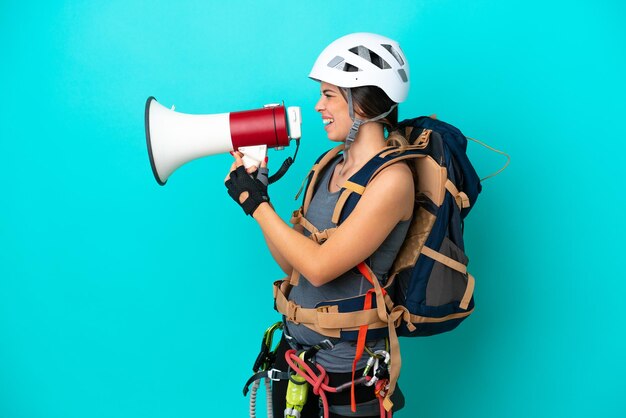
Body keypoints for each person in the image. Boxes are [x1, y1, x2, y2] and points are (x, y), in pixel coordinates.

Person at [225, 33, 413, 417]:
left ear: (361, 101)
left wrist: (256, 206)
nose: (317, 106)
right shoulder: (329, 165)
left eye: (329, 95)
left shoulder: (392, 181)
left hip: (348, 382)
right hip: (296, 362)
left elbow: (321, 267)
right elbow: (295, 266)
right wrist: (261, 197)